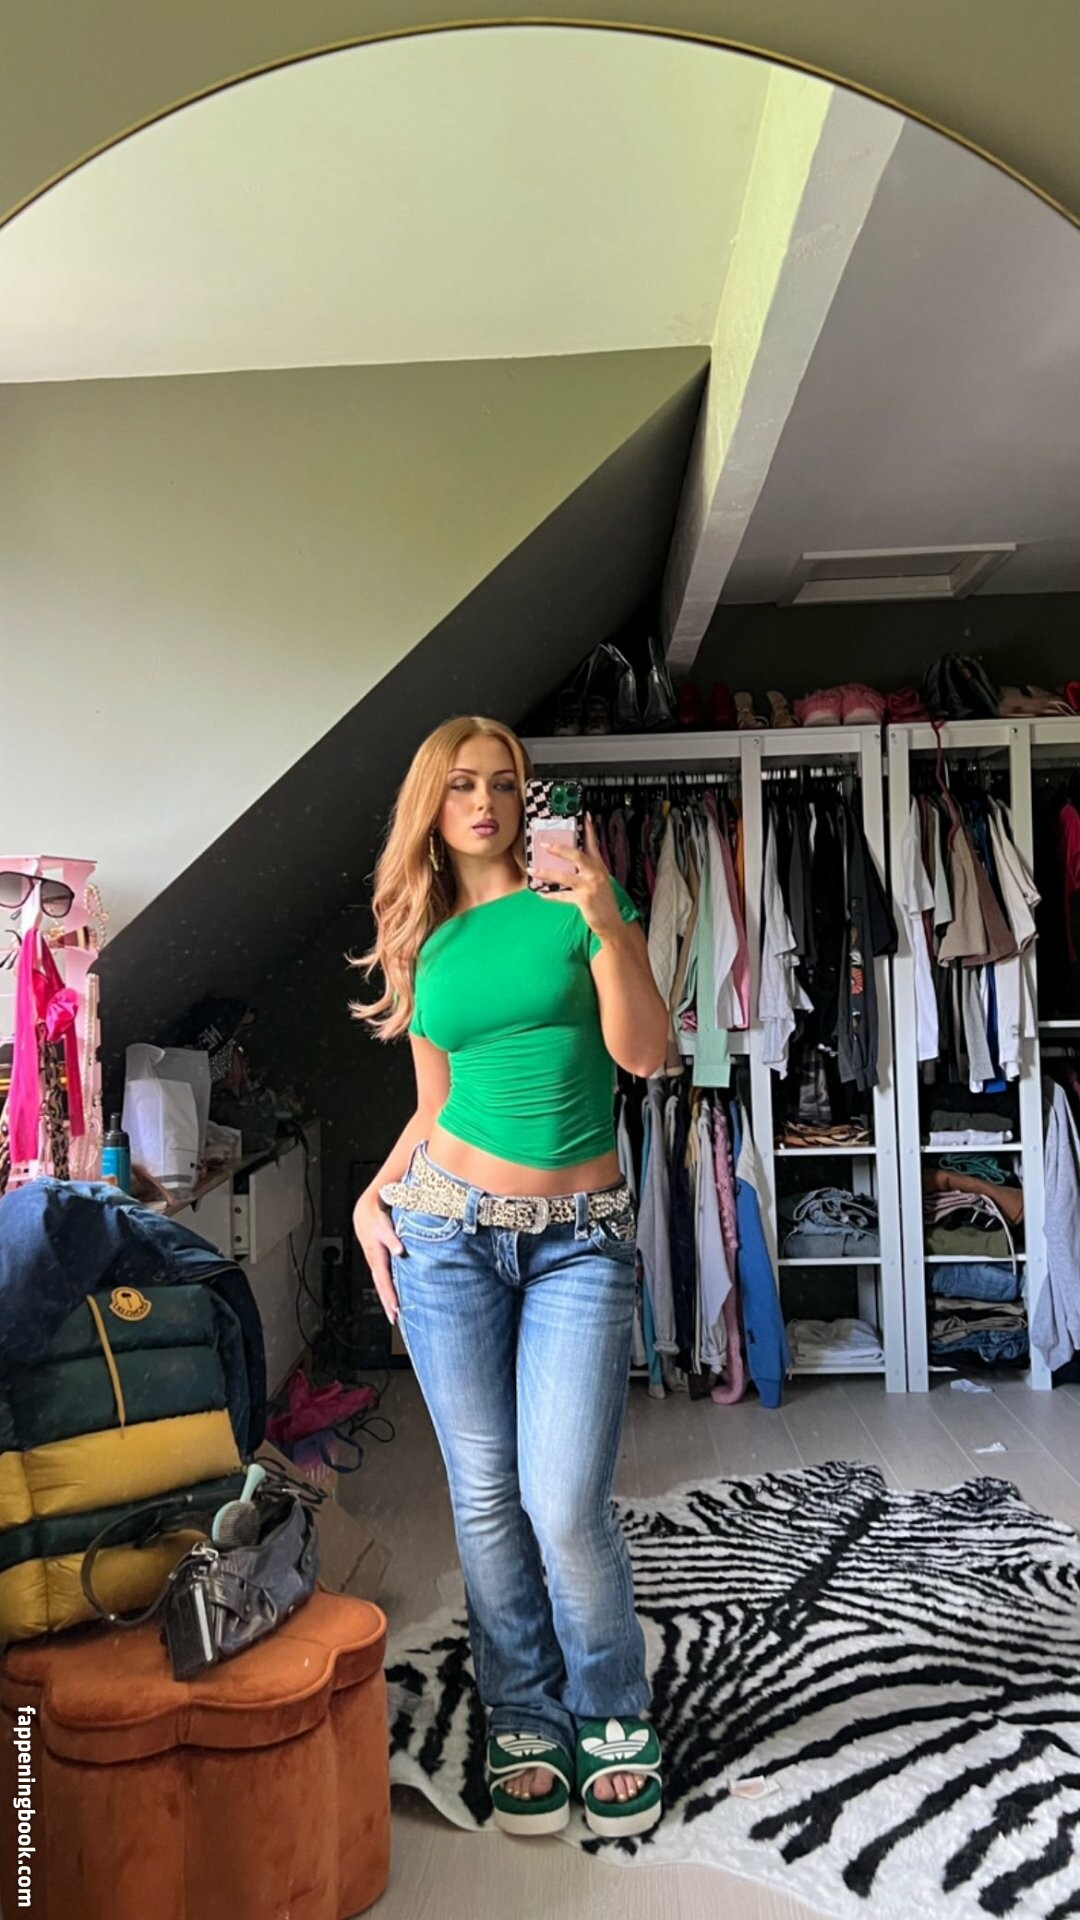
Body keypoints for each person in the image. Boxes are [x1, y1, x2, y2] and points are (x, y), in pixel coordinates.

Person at [351, 714, 669, 1838]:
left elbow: (645, 1054)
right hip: (446, 1232)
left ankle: (611, 1702)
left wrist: (606, 919)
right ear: (431, 807)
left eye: (501, 783)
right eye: (460, 786)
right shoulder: (421, 941)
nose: (482, 803)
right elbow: (435, 1109)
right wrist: (371, 1195)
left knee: (565, 1501)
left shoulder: (582, 906)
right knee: (485, 1494)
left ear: (526, 799)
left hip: (581, 1235)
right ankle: (523, 1709)